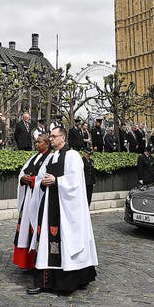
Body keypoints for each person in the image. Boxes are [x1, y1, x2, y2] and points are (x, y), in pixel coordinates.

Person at [27, 126, 98, 295]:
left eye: (54, 136)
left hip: (66, 208)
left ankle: (74, 280)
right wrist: (42, 182)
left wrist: (57, 181)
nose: (50, 139)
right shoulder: (50, 157)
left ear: (63, 138)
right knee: (46, 242)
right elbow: (40, 178)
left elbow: (75, 182)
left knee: (67, 241)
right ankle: (44, 282)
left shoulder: (72, 156)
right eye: (50, 136)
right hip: (50, 206)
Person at [13, 134, 51, 270]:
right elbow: (22, 172)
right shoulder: (34, 157)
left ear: (47, 143)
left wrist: (35, 181)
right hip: (29, 196)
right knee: (25, 228)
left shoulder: (50, 157)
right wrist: (23, 179)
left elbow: (46, 177)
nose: (36, 144)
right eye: (36, 142)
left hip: (39, 197)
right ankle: (26, 261)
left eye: (39, 142)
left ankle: (37, 262)